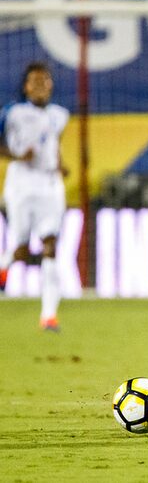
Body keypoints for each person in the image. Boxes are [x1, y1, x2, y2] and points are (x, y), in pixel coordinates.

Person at [0, 62, 69, 331]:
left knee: (51, 245)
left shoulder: (60, 115)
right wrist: (17, 156)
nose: (41, 85)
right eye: (35, 81)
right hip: (21, 183)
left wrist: (60, 164)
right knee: (20, 249)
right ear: (26, 86)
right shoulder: (12, 113)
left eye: (45, 81)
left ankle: (49, 315)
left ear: (51, 85)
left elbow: (53, 143)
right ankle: (5, 266)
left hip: (50, 184)